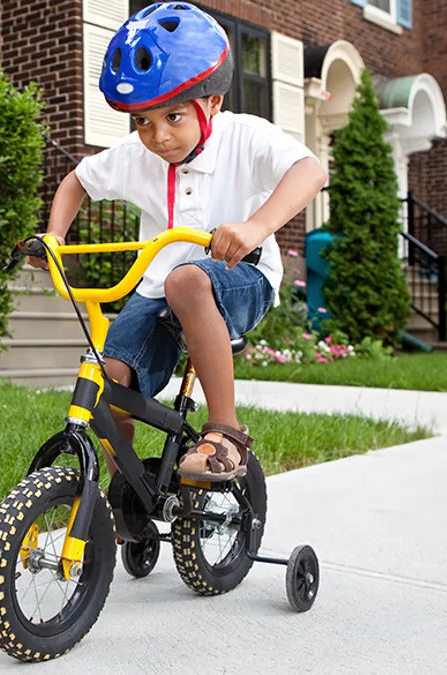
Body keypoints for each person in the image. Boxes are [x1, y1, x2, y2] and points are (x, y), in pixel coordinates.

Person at [30, 2, 327, 482]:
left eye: (172, 116)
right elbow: (76, 181)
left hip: (240, 275)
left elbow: (310, 171)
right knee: (111, 379)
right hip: (156, 287)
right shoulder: (135, 155)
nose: (158, 136)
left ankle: (227, 433)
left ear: (212, 103)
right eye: (143, 121)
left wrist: (254, 227)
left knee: (188, 281)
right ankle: (122, 495)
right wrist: (55, 236)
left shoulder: (243, 136)